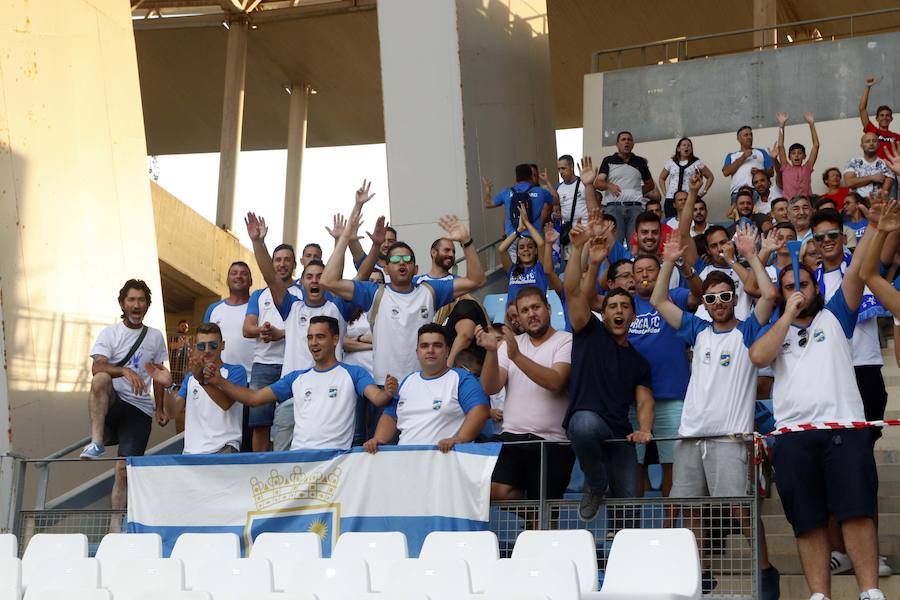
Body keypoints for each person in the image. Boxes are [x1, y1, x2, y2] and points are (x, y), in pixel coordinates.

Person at [749, 210, 886, 600]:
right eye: (791, 286)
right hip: (793, 438)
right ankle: (819, 596)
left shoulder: (836, 314)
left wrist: (875, 226)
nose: (799, 291)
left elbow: (859, 268)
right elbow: (759, 357)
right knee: (806, 522)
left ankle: (870, 592)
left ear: (817, 287)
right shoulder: (774, 329)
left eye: (805, 285)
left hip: (844, 430)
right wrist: (786, 314)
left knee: (857, 513)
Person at [653, 231, 776, 592]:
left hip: (729, 439)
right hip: (691, 436)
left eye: (725, 296)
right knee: (690, 511)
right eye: (711, 298)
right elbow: (659, 298)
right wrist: (668, 261)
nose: (719, 302)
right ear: (704, 302)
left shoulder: (749, 330)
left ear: (734, 298)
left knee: (741, 510)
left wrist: (752, 255)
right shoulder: (697, 329)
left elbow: (769, 295)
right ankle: (699, 574)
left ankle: (765, 574)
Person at [322, 192, 486, 389]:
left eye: (407, 259)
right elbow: (329, 280)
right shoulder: (374, 293)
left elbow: (477, 280)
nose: (401, 262)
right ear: (387, 269)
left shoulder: (430, 290)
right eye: (395, 259)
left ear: (416, 269)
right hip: (386, 386)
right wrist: (346, 236)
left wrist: (466, 241)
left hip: (424, 384)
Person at [561, 216, 653, 520]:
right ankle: (597, 483)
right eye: (612, 306)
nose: (618, 310)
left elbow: (644, 400)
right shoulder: (589, 331)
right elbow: (573, 291)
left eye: (624, 306)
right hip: (588, 424)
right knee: (583, 424)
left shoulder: (638, 360)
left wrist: (645, 429)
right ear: (604, 311)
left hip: (620, 436)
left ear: (633, 315)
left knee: (629, 510)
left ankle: (625, 557)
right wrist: (580, 252)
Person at [210, 316, 394, 450]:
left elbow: (377, 398)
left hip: (337, 463)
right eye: (310, 337)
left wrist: (386, 393)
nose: (314, 343)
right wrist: (218, 381)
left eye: (320, 337)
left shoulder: (354, 373)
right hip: (300, 463)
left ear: (335, 339)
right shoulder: (296, 378)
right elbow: (254, 398)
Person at [80, 280, 170, 521]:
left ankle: (115, 526)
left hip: (139, 409)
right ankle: (97, 441)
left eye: (141, 300)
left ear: (147, 305)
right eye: (131, 299)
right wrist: (124, 371)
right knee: (100, 379)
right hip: (114, 402)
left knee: (123, 470)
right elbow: (96, 366)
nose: (136, 304)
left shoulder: (154, 336)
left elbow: (158, 374)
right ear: (123, 303)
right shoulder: (110, 333)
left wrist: (160, 407)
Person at [476, 286, 574, 501]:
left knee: (543, 519)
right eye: (525, 310)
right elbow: (490, 387)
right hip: (513, 437)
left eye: (536, 307)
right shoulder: (510, 345)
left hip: (553, 442)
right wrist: (492, 352)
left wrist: (517, 356)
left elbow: (556, 382)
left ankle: (536, 517)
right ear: (518, 317)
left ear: (548, 309)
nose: (531, 314)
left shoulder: (565, 340)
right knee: (497, 491)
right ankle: (532, 508)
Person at [626, 251, 697, 496]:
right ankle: (632, 526)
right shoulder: (624, 304)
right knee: (633, 465)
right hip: (632, 398)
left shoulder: (673, 297)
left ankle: (669, 525)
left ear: (662, 273)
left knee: (673, 465)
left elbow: (698, 296)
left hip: (672, 395)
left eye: (650, 270)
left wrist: (685, 268)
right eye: (639, 271)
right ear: (632, 278)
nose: (645, 275)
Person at [365, 323, 489, 451]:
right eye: (424, 346)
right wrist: (379, 439)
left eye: (437, 345)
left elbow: (480, 410)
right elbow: (391, 416)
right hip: (405, 461)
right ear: (417, 352)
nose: (430, 350)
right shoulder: (408, 380)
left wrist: (460, 439)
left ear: (447, 351)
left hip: (444, 461)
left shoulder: (461, 378)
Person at [243, 243, 300, 451]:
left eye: (287, 260)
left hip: (294, 365)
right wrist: (263, 331)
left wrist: (282, 334)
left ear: (294, 264)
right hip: (264, 364)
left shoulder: (302, 292)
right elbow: (247, 329)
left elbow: (307, 327)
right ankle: (261, 468)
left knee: (294, 421)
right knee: (260, 423)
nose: (282, 264)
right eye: (277, 259)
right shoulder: (259, 295)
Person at [678, 175, 757, 321]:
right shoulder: (702, 266)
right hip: (706, 333)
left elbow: (754, 286)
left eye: (723, 242)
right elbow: (683, 234)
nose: (720, 248)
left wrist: (732, 261)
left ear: (731, 242)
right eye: (714, 246)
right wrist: (693, 192)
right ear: (707, 250)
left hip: (738, 335)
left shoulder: (747, 268)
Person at [162, 323, 245, 454]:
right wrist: (166, 387)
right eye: (202, 346)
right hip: (191, 452)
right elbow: (172, 413)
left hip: (224, 448)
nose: (207, 350)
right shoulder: (190, 377)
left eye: (213, 345)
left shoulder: (236, 371)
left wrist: (201, 380)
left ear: (222, 345)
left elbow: (226, 403)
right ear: (196, 347)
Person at [595, 131, 655, 242]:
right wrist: (609, 185)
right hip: (613, 208)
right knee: (613, 243)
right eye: (623, 139)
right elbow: (598, 183)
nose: (626, 142)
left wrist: (637, 192)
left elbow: (650, 184)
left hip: (635, 208)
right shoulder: (608, 160)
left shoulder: (640, 162)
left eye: (629, 139)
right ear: (617, 144)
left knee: (636, 243)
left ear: (633, 144)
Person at [204, 261, 255, 377]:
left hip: (251, 379)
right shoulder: (213, 309)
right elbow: (202, 341)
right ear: (227, 280)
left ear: (251, 281)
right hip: (218, 376)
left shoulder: (258, 307)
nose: (238, 276)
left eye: (244, 274)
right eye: (234, 273)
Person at [483, 164, 554, 237]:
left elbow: (487, 204)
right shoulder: (541, 192)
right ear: (530, 176)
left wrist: (488, 191)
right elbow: (556, 200)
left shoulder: (506, 192)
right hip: (533, 236)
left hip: (513, 236)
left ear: (516, 178)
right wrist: (547, 181)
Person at [498, 206, 548, 306]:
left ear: (536, 251)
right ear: (517, 253)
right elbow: (501, 249)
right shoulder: (512, 269)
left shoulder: (540, 268)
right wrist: (519, 230)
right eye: (521, 247)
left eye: (530, 247)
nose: (526, 249)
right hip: (514, 317)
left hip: (534, 315)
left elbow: (541, 244)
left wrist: (527, 223)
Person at [658, 136, 714, 219]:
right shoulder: (671, 162)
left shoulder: (697, 162)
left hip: (688, 198)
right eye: (684, 145)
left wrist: (704, 191)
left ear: (691, 149)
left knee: (689, 221)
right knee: (671, 221)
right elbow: (661, 178)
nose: (686, 147)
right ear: (678, 149)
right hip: (671, 198)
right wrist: (665, 193)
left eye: (689, 145)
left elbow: (710, 177)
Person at [722, 125, 775, 203]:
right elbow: (725, 172)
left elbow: (771, 173)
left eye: (751, 134)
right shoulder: (731, 155)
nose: (749, 137)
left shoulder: (762, 152)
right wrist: (743, 157)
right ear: (738, 139)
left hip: (760, 192)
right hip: (738, 193)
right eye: (746, 135)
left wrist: (760, 171)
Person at [776, 112, 820, 200]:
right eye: (793, 153)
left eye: (799, 153)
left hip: (806, 203)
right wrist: (781, 125)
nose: (796, 156)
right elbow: (780, 146)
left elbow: (816, 145)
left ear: (804, 156)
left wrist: (811, 124)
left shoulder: (807, 167)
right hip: (790, 204)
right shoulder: (785, 167)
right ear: (789, 157)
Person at [844, 132, 896, 199]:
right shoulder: (852, 162)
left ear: (878, 145)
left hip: (876, 204)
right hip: (856, 206)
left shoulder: (887, 164)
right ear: (862, 146)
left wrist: (858, 181)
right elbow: (849, 182)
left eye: (874, 141)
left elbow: (885, 192)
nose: (871, 144)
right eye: (867, 141)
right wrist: (873, 178)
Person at [859, 76, 900, 160]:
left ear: (891, 119)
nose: (884, 117)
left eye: (887, 115)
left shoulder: (897, 137)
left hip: (891, 171)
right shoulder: (872, 130)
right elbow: (862, 109)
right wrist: (867, 87)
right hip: (875, 170)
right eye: (882, 115)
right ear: (877, 118)